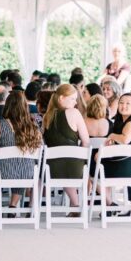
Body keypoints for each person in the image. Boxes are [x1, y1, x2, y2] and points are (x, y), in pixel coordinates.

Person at [43, 84, 90, 215]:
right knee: (70, 162)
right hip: (74, 167)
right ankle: (76, 204)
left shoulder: (46, 116)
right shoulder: (74, 113)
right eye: (72, 99)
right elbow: (86, 141)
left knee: (63, 162)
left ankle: (74, 204)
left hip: (51, 168)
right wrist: (81, 159)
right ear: (61, 98)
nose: (75, 103)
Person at [0, 91, 42, 209]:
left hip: (3, 172)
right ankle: (13, 205)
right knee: (23, 166)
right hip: (28, 173)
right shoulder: (33, 125)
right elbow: (39, 148)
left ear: (7, 105)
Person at [101, 93, 131, 210]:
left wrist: (112, 135)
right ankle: (109, 205)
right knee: (96, 167)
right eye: (121, 103)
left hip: (125, 168)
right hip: (128, 167)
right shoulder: (123, 123)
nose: (123, 106)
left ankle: (109, 205)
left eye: (128, 103)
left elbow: (125, 140)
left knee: (92, 169)